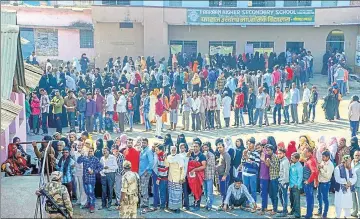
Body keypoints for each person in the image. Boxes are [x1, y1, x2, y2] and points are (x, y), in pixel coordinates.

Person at [77, 147, 103, 213]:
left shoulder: (95, 159)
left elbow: (101, 167)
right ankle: (88, 204)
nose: (90, 152)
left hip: (91, 179)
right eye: (89, 151)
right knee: (87, 192)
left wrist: (94, 171)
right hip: (85, 178)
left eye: (91, 151)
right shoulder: (84, 157)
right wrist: (82, 155)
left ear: (93, 152)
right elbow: (78, 161)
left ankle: (92, 206)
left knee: (91, 193)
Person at [187, 140, 206, 211]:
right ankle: (194, 202)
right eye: (194, 146)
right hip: (192, 176)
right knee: (193, 189)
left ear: (199, 147)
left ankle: (197, 204)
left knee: (198, 189)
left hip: (198, 176)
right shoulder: (191, 154)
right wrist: (189, 152)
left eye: (196, 146)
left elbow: (204, 166)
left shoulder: (202, 156)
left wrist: (195, 169)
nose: (195, 148)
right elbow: (186, 158)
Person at [165, 145, 184, 213]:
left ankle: (177, 208)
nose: (173, 151)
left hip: (177, 178)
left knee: (177, 193)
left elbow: (182, 168)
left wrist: (182, 178)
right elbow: (167, 165)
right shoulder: (169, 157)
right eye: (172, 150)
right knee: (171, 193)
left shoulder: (179, 157)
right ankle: (172, 207)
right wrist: (165, 158)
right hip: (171, 178)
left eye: (174, 150)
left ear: (176, 150)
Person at [315, 150, 334, 218]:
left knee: (325, 199)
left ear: (328, 157)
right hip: (320, 182)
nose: (322, 158)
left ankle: (324, 214)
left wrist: (321, 169)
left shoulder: (330, 165)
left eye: (323, 157)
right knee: (318, 197)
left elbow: (328, 176)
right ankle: (319, 211)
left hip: (325, 183)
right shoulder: (323, 162)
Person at [241, 137, 260, 203]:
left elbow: (257, 165)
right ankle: (246, 203)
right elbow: (243, 163)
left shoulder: (256, 153)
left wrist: (248, 159)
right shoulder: (245, 151)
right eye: (247, 144)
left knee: (253, 190)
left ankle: (253, 203)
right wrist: (244, 156)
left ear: (253, 144)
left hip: (252, 175)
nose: (248, 145)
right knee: (246, 190)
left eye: (250, 144)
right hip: (245, 174)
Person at [303, 147, 319, 219]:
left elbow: (314, 172)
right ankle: (309, 213)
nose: (304, 153)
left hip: (308, 183)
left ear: (310, 153)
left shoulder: (311, 160)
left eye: (306, 152)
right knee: (309, 198)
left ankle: (309, 214)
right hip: (308, 182)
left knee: (309, 199)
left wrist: (308, 181)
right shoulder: (309, 159)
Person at [138, 138, 154, 212]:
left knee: (145, 188)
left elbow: (151, 162)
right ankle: (144, 202)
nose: (143, 144)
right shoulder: (142, 150)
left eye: (144, 143)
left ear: (147, 143)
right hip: (141, 172)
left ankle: (146, 203)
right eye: (142, 142)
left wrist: (146, 171)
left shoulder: (148, 151)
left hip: (146, 173)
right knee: (143, 188)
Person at [216, 138, 231, 209]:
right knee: (222, 191)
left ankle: (225, 205)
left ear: (224, 147)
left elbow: (228, 166)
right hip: (220, 175)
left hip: (224, 176)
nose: (219, 149)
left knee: (224, 191)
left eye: (220, 147)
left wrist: (225, 175)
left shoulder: (226, 155)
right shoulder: (221, 154)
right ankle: (223, 204)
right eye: (218, 147)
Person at [202, 142, 215, 211]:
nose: (205, 149)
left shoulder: (211, 155)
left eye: (206, 147)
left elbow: (211, 164)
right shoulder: (202, 155)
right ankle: (207, 203)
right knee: (205, 191)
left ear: (208, 148)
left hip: (210, 176)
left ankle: (209, 205)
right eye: (203, 147)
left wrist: (206, 157)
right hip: (204, 176)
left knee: (210, 191)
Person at [289, 152, 303, 219]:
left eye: (293, 158)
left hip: (296, 186)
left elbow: (300, 177)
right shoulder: (292, 164)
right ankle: (293, 211)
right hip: (291, 185)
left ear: (297, 159)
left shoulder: (299, 166)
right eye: (291, 157)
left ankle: (297, 214)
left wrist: (297, 185)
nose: (291, 159)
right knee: (292, 200)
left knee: (296, 201)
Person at [277, 148, 290, 217]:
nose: (278, 155)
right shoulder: (281, 160)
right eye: (278, 153)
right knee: (280, 196)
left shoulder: (285, 161)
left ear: (284, 154)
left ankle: (284, 212)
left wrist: (284, 182)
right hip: (281, 181)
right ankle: (284, 209)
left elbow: (286, 173)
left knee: (284, 197)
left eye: (280, 153)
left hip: (283, 182)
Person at [351, 150, 360, 217]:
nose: (357, 156)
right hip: (352, 185)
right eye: (356, 155)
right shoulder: (351, 163)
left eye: (358, 155)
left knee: (359, 200)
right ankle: (354, 212)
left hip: (359, 185)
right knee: (353, 199)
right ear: (353, 156)